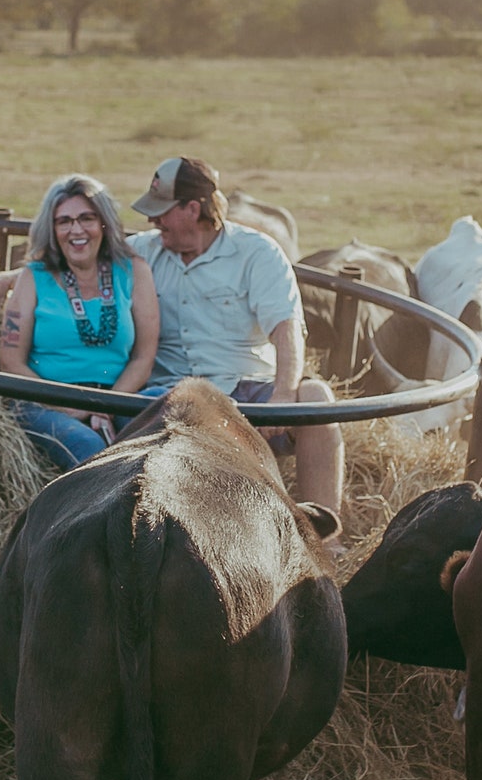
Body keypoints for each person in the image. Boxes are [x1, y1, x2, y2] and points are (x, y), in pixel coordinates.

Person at [129, 156, 344, 516]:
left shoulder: (256, 253)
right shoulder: (142, 251)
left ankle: (325, 533)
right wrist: (14, 278)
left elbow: (286, 326)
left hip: (246, 389)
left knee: (316, 397)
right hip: (169, 394)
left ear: (193, 209)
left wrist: (283, 394)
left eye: (162, 211)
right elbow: (75, 263)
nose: (153, 220)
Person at [0, 173, 159, 471]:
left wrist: (106, 405)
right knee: (88, 446)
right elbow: (10, 361)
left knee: (171, 403)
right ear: (53, 228)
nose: (76, 230)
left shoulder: (133, 270)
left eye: (86, 218)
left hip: (117, 396)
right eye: (64, 221)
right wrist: (71, 406)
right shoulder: (34, 276)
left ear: (103, 223)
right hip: (45, 402)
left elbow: (143, 357)